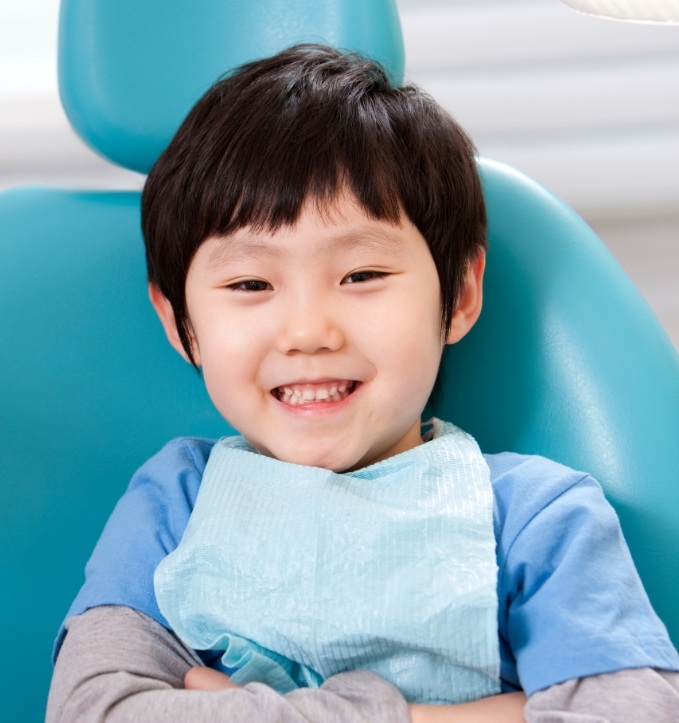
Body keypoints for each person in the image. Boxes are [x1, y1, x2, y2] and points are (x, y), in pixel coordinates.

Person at [46, 44, 679, 722]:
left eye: (361, 276)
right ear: (182, 325)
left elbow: (631, 711)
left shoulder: (536, 519)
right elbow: (95, 709)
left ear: (460, 293)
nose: (308, 330)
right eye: (250, 283)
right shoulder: (173, 504)